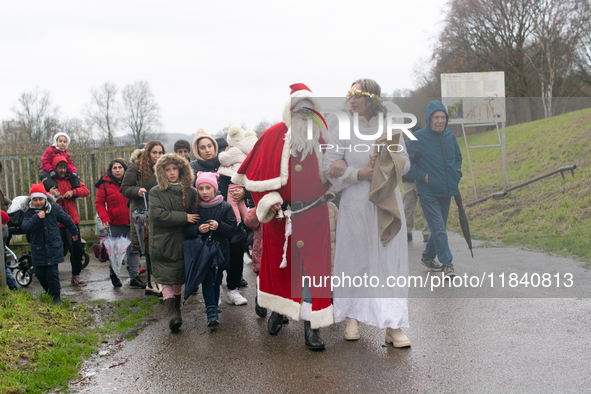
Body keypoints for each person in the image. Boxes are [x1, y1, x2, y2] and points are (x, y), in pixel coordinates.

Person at [233, 83, 333, 351]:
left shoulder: (322, 138)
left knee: (314, 272)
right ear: (289, 110)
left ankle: (312, 327)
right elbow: (253, 180)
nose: (304, 114)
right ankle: (278, 309)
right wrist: (268, 202)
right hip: (281, 217)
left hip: (314, 214)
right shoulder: (272, 136)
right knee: (281, 267)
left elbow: (335, 174)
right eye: (299, 109)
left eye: (309, 109)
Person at [324, 78, 411, 347]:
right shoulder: (342, 126)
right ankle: (352, 316)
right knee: (355, 258)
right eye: (350, 95)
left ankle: (393, 324)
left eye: (358, 95)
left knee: (387, 262)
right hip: (355, 203)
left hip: (385, 202)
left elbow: (405, 163)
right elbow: (329, 166)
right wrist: (360, 173)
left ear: (371, 98)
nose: (352, 100)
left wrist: (386, 162)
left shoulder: (389, 124)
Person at [190, 128, 248, 305]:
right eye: (203, 147)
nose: (207, 150)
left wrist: (244, 192)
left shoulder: (228, 162)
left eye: (210, 146)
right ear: (197, 150)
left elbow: (247, 180)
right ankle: (214, 291)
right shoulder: (194, 168)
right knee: (212, 256)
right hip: (208, 217)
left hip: (232, 217)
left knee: (236, 253)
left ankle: (233, 289)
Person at [406, 101, 463, 278]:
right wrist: (424, 177)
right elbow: (408, 163)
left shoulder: (450, 136)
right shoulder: (418, 137)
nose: (440, 121)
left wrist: (457, 172)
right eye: (436, 117)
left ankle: (427, 257)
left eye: (443, 117)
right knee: (438, 227)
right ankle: (447, 263)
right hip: (427, 191)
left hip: (447, 190)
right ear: (429, 119)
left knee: (439, 227)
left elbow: (458, 157)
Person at [149, 153, 199, 332]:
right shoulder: (156, 192)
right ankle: (172, 314)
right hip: (163, 241)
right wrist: (184, 217)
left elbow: (199, 210)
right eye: (167, 170)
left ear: (181, 169)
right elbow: (157, 215)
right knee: (166, 278)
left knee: (178, 277)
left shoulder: (191, 191)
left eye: (174, 169)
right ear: (161, 172)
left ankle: (177, 311)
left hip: (183, 241)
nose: (171, 173)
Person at [184, 172, 237, 327]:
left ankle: (213, 305)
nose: (204, 192)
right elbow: (186, 231)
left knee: (216, 280)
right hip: (202, 252)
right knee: (207, 279)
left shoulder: (225, 206)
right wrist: (198, 229)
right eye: (201, 188)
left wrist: (219, 226)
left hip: (220, 251)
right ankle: (211, 311)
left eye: (208, 187)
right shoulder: (194, 208)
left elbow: (233, 229)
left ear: (215, 188)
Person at [21, 183, 79, 304]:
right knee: (39, 273)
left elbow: (67, 220)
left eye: (40, 199)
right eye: (35, 200)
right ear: (31, 200)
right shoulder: (30, 213)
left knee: (52, 274)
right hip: (38, 249)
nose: (38, 202)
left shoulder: (54, 209)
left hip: (53, 247)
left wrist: (74, 231)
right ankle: (48, 292)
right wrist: (36, 217)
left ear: (46, 198)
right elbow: (25, 228)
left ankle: (56, 297)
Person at [121, 140, 165, 296]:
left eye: (160, 152)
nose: (158, 155)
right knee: (148, 248)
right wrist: (137, 190)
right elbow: (124, 188)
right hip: (142, 213)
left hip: (160, 212)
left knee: (159, 247)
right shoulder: (136, 167)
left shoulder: (163, 167)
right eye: (154, 152)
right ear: (147, 153)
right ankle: (152, 283)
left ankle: (157, 282)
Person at [95, 158, 145, 289]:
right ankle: (115, 275)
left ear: (125, 169)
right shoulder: (104, 184)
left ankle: (134, 277)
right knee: (116, 251)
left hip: (132, 221)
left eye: (120, 167)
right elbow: (99, 204)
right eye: (114, 168)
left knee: (134, 250)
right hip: (115, 223)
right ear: (110, 170)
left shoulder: (132, 182)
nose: (117, 170)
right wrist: (105, 218)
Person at [46, 156, 90, 287]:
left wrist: (72, 191)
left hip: (72, 221)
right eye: (59, 167)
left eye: (64, 167)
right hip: (55, 223)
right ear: (54, 168)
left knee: (76, 249)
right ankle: (52, 278)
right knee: (57, 251)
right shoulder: (49, 181)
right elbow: (38, 195)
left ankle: (75, 276)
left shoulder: (72, 179)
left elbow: (85, 191)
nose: (62, 170)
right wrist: (50, 193)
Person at [218, 125, 258, 224]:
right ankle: (248, 221)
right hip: (243, 181)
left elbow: (223, 159)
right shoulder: (247, 149)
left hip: (234, 181)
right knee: (240, 204)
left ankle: (237, 222)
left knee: (232, 203)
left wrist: (223, 152)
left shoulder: (235, 150)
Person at [402, 123, 431, 242]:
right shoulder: (406, 144)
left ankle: (423, 232)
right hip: (412, 180)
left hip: (417, 180)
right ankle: (412, 232)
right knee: (411, 208)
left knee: (419, 207)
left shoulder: (419, 144)